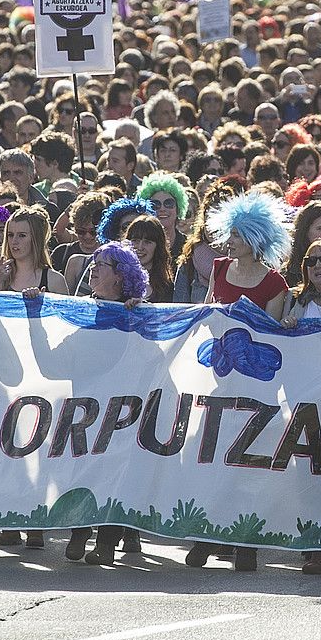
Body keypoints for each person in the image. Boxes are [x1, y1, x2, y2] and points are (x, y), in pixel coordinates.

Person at [190, 190, 291, 573]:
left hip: (254, 386)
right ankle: (206, 535)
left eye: (235, 234)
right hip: (218, 378)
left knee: (245, 464)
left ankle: (244, 542)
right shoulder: (217, 268)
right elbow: (206, 315)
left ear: (253, 239)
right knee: (213, 458)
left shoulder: (274, 284)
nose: (228, 241)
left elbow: (268, 334)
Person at [67, 242, 150, 566]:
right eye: (93, 262)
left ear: (120, 276)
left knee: (115, 475)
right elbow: (58, 358)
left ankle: (107, 542)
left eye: (101, 264)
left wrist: (140, 317)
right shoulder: (79, 309)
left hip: (121, 414)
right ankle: (78, 532)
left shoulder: (137, 313)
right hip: (84, 410)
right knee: (82, 471)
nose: (93, 268)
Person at [125, 215, 175, 302]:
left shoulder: (167, 286)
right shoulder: (117, 279)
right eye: (135, 241)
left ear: (158, 246)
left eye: (147, 242)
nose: (140, 247)